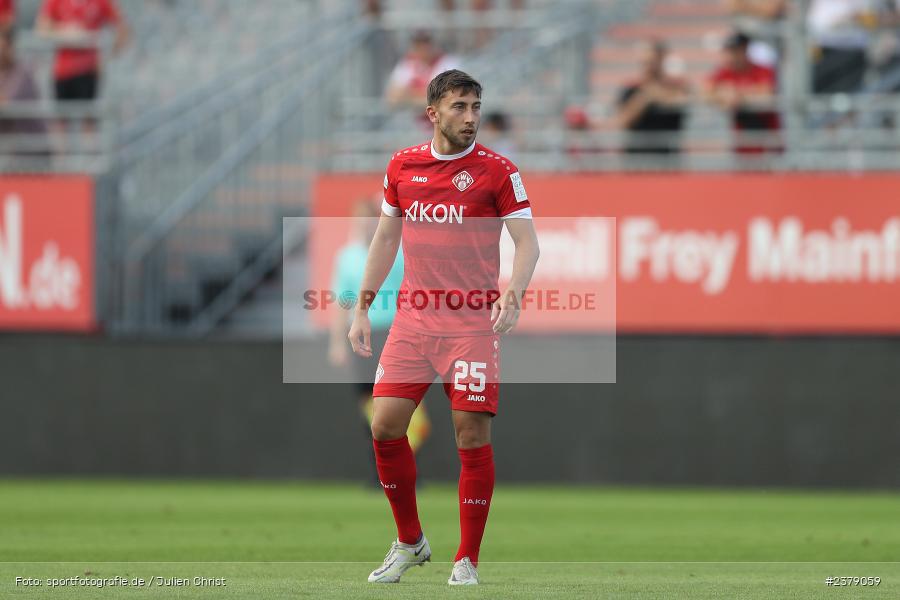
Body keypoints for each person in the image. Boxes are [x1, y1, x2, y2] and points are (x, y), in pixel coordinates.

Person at [349, 69, 540, 586]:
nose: (472, 117)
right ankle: (410, 541)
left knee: (470, 434)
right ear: (433, 113)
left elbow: (528, 243)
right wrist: (362, 307)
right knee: (385, 425)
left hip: (471, 325)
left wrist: (514, 293)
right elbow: (385, 240)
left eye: (477, 106)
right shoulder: (402, 166)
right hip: (413, 320)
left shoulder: (499, 172)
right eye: (460, 107)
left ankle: (467, 559)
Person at [328, 197, 431, 489]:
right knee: (369, 404)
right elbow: (342, 301)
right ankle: (381, 473)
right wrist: (336, 342)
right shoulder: (346, 257)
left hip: (397, 333)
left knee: (403, 403)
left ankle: (411, 470)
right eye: (359, 219)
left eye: (369, 218)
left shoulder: (396, 251)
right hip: (363, 333)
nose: (364, 224)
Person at [36, 0, 130, 105]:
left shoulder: (102, 2)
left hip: (88, 71)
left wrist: (107, 58)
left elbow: (122, 29)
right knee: (61, 116)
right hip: (62, 71)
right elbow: (42, 28)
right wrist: (64, 32)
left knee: (88, 116)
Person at [707, 32, 781, 154]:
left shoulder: (762, 70)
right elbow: (706, 91)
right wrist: (722, 94)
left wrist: (738, 94)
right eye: (730, 51)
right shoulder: (726, 72)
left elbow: (766, 93)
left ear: (745, 50)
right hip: (743, 143)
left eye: (736, 50)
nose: (731, 55)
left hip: (767, 139)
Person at [615, 39, 689, 155]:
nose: (648, 67)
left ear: (662, 60)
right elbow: (623, 121)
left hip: (668, 158)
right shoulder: (631, 90)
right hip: (637, 158)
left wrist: (659, 94)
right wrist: (645, 97)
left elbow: (681, 101)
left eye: (652, 61)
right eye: (644, 62)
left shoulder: (676, 87)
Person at [385, 30, 459, 118]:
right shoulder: (407, 63)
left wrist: (409, 94)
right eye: (418, 44)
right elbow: (392, 98)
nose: (423, 48)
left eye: (426, 43)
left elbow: (445, 99)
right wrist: (424, 95)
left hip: (442, 123)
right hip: (413, 124)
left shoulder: (448, 63)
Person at [807, 0, 873, 93]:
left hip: (851, 50)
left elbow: (868, 15)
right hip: (822, 48)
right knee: (820, 94)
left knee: (847, 95)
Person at [0, 29, 46, 154]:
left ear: (10, 47)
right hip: (10, 152)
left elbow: (6, 103)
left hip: (32, 151)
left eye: (3, 48)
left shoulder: (23, 72)